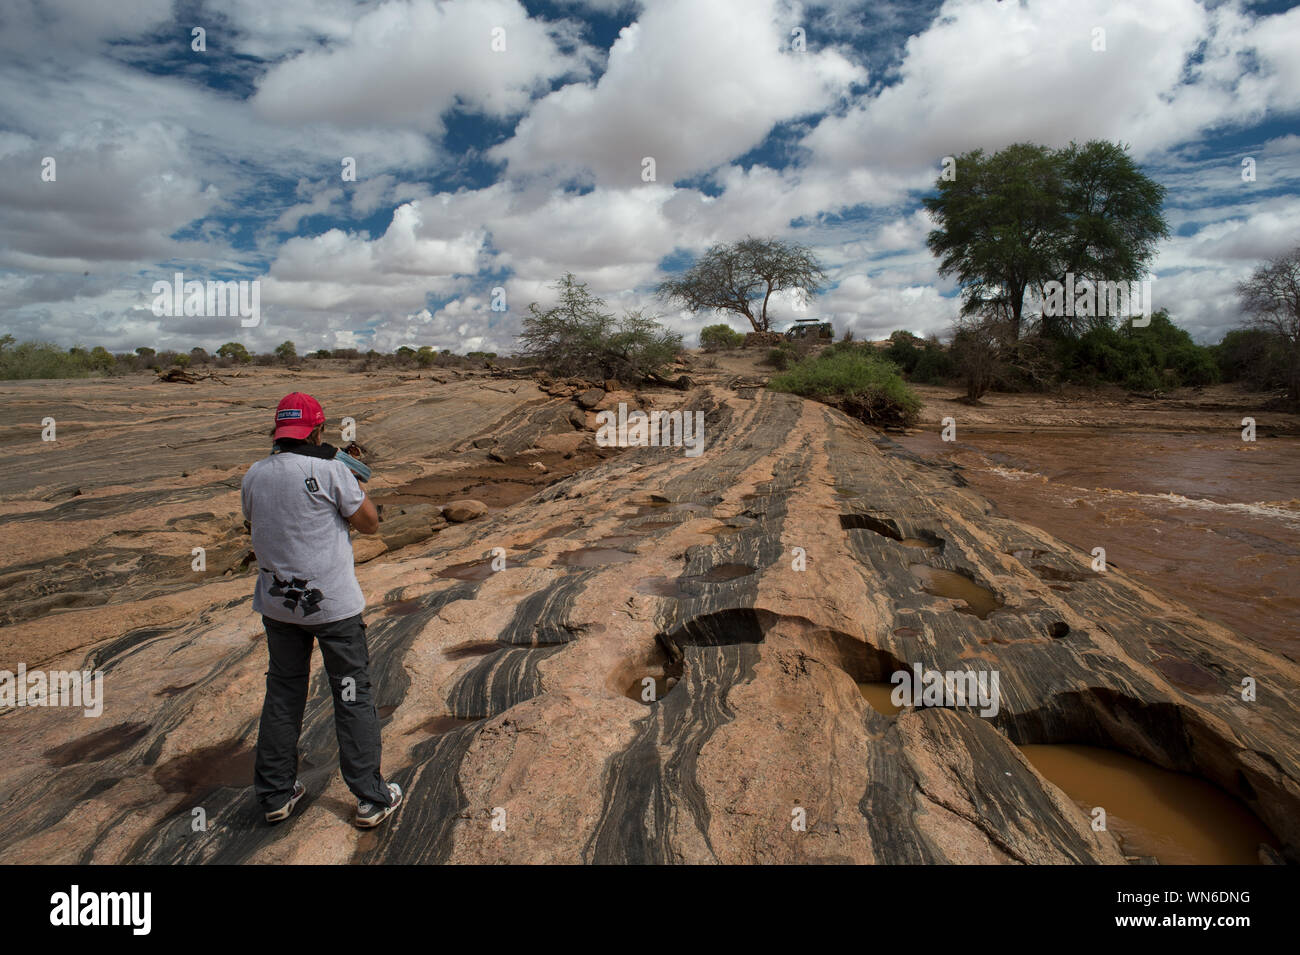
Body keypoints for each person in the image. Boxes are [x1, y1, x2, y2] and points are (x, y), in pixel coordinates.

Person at [241, 392, 402, 828]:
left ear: (279, 433)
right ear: (317, 430)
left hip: (278, 608)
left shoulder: (254, 475)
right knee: (351, 695)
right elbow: (369, 523)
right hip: (333, 610)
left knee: (283, 693)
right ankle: (370, 797)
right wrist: (353, 483)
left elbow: (253, 525)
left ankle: (275, 794)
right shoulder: (331, 469)